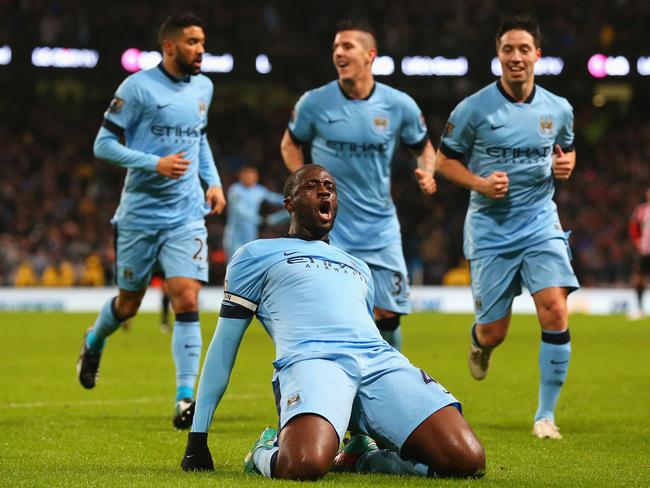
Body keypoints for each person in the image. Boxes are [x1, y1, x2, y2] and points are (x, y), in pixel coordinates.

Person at [180, 165, 485, 480]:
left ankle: (363, 459)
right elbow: (224, 346)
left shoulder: (358, 267)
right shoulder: (254, 255)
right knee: (303, 465)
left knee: (467, 459)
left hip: (378, 363)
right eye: (312, 185)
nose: (324, 190)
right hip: (312, 362)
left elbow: (371, 331)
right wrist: (197, 438)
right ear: (290, 203)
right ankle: (264, 449)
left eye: (330, 186)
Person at [75, 12, 226, 430]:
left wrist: (212, 182)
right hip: (140, 215)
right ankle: (94, 340)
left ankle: (183, 399)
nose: (201, 49)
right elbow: (102, 145)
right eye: (193, 42)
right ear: (170, 47)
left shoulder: (204, 87)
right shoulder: (137, 87)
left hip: (186, 214)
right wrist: (152, 163)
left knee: (186, 297)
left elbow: (199, 137)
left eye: (203, 41)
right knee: (129, 304)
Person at [435, 16, 578, 440]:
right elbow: (444, 161)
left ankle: (546, 416)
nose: (515, 57)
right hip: (491, 228)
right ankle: (480, 341)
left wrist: (567, 166)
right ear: (498, 56)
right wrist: (479, 182)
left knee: (554, 309)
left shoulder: (558, 108)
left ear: (537, 55)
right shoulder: (474, 109)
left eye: (523, 49)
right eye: (507, 50)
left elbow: (566, 153)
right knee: (495, 331)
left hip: (539, 221)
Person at [280, 19, 436, 350]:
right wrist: (303, 184)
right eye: (336, 46)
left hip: (379, 225)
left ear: (370, 55)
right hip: (329, 227)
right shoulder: (314, 102)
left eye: (347, 46)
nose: (339, 52)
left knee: (388, 313)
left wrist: (427, 171)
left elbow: (422, 146)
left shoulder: (398, 105)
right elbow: (289, 143)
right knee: (333, 312)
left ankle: (392, 383)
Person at [223, 166, 288, 260]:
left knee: (249, 262)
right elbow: (240, 211)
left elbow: (274, 198)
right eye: (248, 176)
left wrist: (290, 201)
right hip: (235, 234)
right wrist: (260, 220)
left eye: (253, 176)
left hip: (251, 233)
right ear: (241, 177)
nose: (250, 179)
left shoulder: (259, 190)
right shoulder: (235, 189)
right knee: (233, 262)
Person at [628, 187, 650, 319]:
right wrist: (637, 241)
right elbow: (633, 226)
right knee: (638, 278)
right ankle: (639, 307)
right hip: (644, 250)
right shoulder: (642, 210)